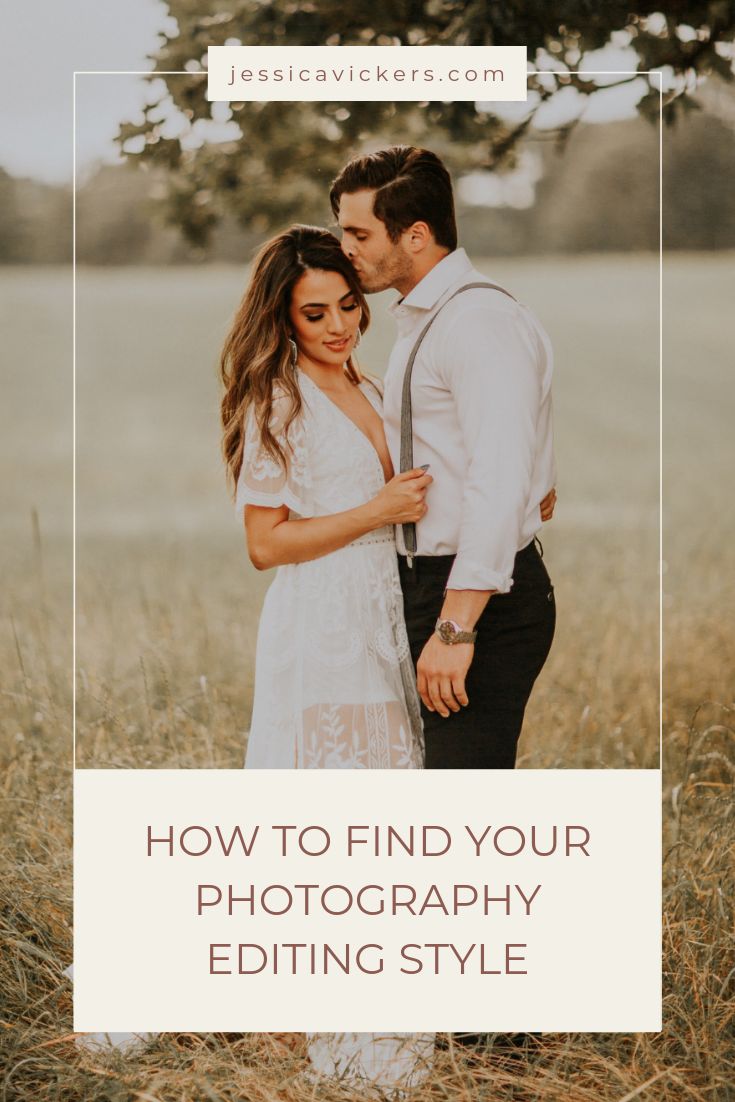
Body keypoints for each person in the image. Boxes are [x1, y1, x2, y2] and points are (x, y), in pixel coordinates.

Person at [220, 223, 434, 1090]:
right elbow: (265, 545)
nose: (339, 324)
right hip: (322, 628)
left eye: (349, 305)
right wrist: (377, 511)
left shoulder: (367, 382)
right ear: (284, 316)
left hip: (384, 619)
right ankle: (302, 1028)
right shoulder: (277, 399)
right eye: (316, 313)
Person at [329, 146, 557, 772]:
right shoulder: (432, 318)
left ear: (417, 235)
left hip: (478, 600)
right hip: (433, 584)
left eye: (358, 233)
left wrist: (455, 630)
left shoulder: (478, 320)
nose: (344, 247)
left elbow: (500, 475)